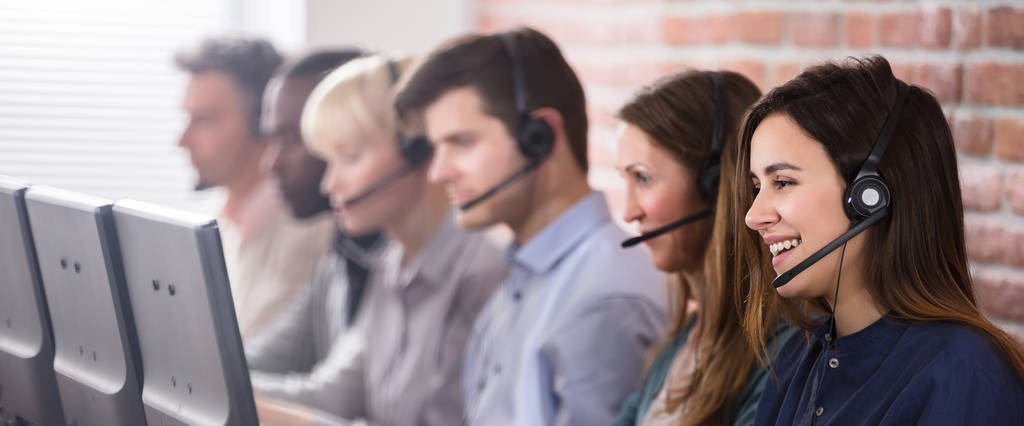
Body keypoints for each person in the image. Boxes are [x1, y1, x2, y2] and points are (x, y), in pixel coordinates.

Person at [394, 27, 666, 426]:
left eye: (462, 142)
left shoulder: (602, 300)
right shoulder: (525, 278)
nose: (438, 172)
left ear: (540, 136)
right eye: (437, 148)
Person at [740, 56, 1024, 425]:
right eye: (756, 187)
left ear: (869, 195)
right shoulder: (797, 357)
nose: (753, 216)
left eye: (782, 182)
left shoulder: (963, 372)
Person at [254, 55, 505, 425]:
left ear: (417, 150)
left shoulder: (481, 272)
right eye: (328, 161)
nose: (329, 185)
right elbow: (337, 394)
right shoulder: (391, 261)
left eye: (349, 158)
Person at [609, 70, 792, 426]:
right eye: (625, 180)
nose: (630, 211)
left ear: (714, 186)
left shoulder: (780, 353)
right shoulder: (681, 343)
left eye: (643, 178)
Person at [242, 49, 390, 410]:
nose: (271, 163)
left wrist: (196, 385)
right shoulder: (344, 252)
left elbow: (335, 399)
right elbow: (269, 356)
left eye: (291, 140)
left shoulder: (401, 259)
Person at [175, 37, 333, 339]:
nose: (182, 140)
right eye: (187, 118)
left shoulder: (311, 237)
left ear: (264, 122)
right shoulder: (214, 225)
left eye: (204, 120)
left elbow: (244, 362)